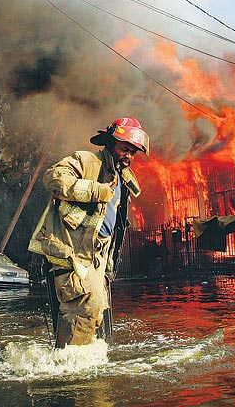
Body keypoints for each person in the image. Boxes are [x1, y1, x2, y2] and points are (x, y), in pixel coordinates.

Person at [29, 117, 149, 348]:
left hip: (98, 256)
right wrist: (96, 190)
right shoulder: (86, 161)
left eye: (133, 153)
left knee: (96, 310)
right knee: (86, 302)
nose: (129, 156)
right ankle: (71, 368)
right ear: (110, 142)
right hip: (71, 249)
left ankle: (75, 361)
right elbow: (53, 179)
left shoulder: (122, 179)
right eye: (125, 148)